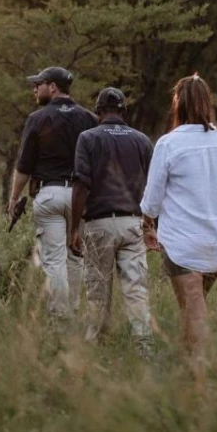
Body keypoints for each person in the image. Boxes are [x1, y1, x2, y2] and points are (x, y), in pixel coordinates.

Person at [141, 74, 217, 356]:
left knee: (193, 307)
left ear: (177, 103)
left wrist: (147, 225)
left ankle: (205, 373)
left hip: (181, 244)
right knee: (193, 306)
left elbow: (152, 199)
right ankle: (187, 371)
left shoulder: (168, 144)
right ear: (208, 103)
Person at [67, 87, 155, 352]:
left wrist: (74, 228)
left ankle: (96, 347)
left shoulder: (88, 138)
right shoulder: (142, 140)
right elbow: (153, 187)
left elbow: (82, 185)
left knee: (97, 291)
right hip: (133, 223)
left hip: (99, 223)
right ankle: (145, 347)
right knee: (136, 290)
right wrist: (152, 225)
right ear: (123, 111)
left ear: (97, 111)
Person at [8, 66, 98, 317]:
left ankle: (61, 316)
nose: (35, 88)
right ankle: (73, 310)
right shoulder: (90, 118)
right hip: (82, 197)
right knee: (76, 257)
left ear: (53, 87)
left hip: (50, 194)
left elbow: (24, 166)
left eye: (39, 84)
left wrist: (14, 198)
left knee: (54, 260)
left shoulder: (37, 119)